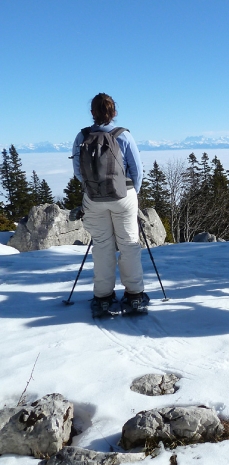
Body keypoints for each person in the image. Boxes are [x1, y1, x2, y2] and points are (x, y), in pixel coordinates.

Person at [72, 93, 149, 314]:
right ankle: (134, 295)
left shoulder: (82, 136)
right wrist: (132, 193)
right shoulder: (123, 136)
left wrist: (93, 188)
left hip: (94, 199)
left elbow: (78, 171)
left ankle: (103, 297)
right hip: (123, 196)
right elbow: (137, 171)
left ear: (92, 112)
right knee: (129, 245)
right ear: (114, 112)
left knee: (102, 246)